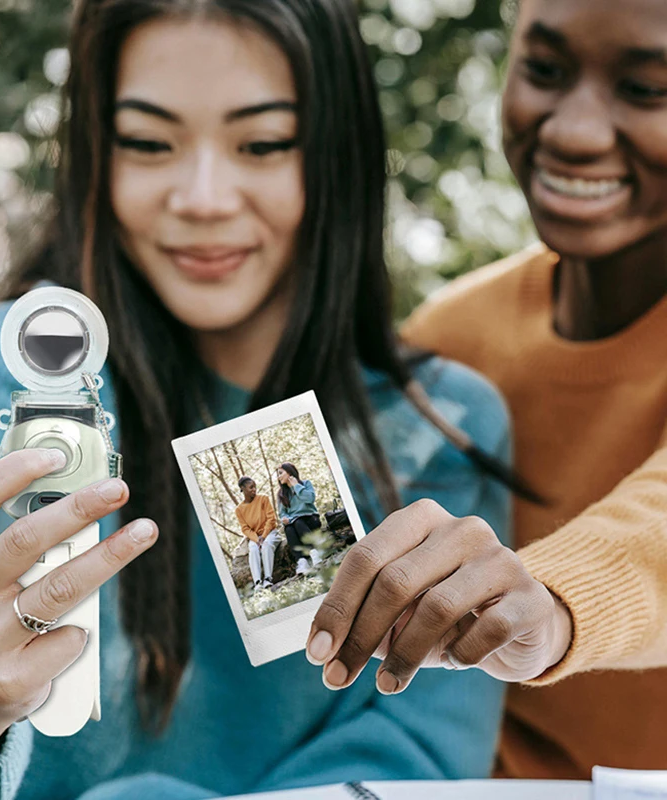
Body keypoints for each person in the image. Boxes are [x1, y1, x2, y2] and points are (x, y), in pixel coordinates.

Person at [0, 1, 517, 799]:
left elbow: (414, 753)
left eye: (263, 143)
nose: (203, 197)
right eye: (147, 143)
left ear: (340, 153)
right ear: (94, 153)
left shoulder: (444, 425)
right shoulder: (17, 375)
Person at [306, 0, 667, 781]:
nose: (574, 131)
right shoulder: (453, 338)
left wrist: (554, 602)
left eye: (647, 89)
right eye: (544, 71)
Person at [275, 463, 323, 575]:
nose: (279, 477)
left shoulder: (305, 484)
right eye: (278, 475)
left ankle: (315, 553)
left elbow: (310, 499)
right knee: (288, 528)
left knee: (298, 522)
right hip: (295, 523)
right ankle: (302, 562)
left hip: (311, 520)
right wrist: (284, 519)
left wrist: (296, 486)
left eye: (281, 473)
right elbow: (282, 514)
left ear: (290, 472)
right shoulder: (281, 494)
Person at [235, 476, 279, 590]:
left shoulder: (263, 499)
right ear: (242, 489)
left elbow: (271, 519)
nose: (254, 489)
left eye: (254, 487)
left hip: (270, 533)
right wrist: (256, 538)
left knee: (266, 545)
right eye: (251, 487)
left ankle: (268, 579)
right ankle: (258, 582)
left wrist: (263, 536)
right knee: (253, 549)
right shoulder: (239, 509)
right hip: (254, 537)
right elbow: (245, 528)